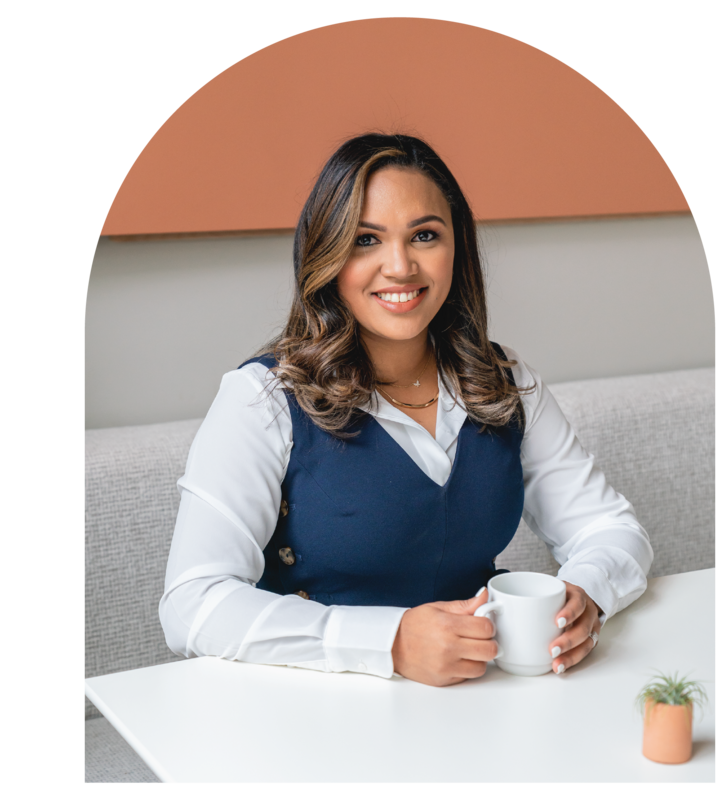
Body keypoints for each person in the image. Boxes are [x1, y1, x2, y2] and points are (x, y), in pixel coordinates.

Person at [159, 133, 653, 687]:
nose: (400, 266)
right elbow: (192, 605)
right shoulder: (264, 399)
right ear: (326, 255)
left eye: (424, 235)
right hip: (317, 708)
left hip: (482, 701)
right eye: (366, 240)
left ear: (456, 248)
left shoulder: (503, 380)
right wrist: (388, 642)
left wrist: (586, 594)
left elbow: (610, 529)